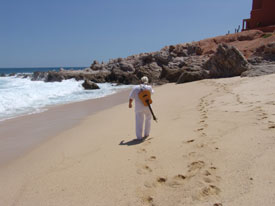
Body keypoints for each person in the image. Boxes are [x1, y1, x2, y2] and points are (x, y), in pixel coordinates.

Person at [129, 76, 154, 140]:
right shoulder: (149, 88)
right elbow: (152, 93)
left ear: (140, 81)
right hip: (148, 107)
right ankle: (146, 134)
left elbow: (131, 98)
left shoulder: (135, 88)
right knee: (148, 120)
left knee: (139, 122)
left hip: (138, 108)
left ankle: (139, 137)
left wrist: (130, 104)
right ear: (147, 81)